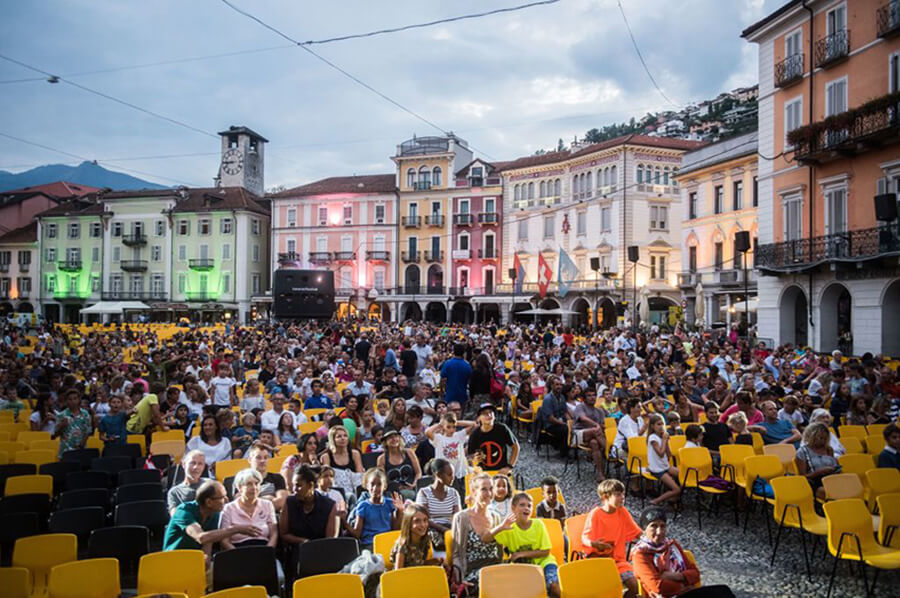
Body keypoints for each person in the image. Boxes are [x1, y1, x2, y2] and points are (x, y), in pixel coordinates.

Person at [486, 492, 560, 598]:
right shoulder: (508, 528)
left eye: (529, 506)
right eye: (522, 505)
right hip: (521, 568)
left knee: (553, 585)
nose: (526, 508)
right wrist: (501, 526)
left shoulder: (538, 525)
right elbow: (488, 538)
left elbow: (546, 551)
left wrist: (521, 554)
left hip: (544, 563)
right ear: (513, 508)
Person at [163, 480, 261, 559]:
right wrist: (236, 529)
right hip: (173, 560)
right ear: (209, 502)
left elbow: (209, 540)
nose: (226, 500)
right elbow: (201, 537)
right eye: (222, 497)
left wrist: (207, 557)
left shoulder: (215, 513)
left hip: (195, 560)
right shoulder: (184, 511)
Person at [582, 479, 642, 598]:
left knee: (635, 586)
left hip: (618, 561)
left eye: (623, 494)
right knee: (608, 589)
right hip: (598, 560)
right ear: (605, 497)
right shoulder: (595, 514)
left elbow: (637, 532)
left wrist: (652, 538)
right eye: (618, 494)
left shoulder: (622, 512)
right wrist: (594, 544)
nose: (622, 497)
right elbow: (584, 538)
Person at [631, 507, 701, 598]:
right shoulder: (640, 554)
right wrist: (684, 585)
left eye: (662, 526)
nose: (659, 532)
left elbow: (695, 574)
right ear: (644, 529)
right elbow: (657, 586)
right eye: (654, 526)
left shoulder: (672, 545)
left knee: (723, 591)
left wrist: (674, 576)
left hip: (687, 594)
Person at [451, 473, 502, 593]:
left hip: (494, 568)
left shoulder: (496, 517)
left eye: (491, 489)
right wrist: (460, 579)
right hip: (473, 571)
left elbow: (500, 550)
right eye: (484, 489)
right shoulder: (462, 518)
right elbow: (457, 554)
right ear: (474, 492)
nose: (489, 493)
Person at [280, 464, 337, 548]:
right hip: (297, 550)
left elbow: (330, 540)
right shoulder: (289, 502)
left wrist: (313, 547)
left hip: (322, 550)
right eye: (294, 485)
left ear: (311, 485)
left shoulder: (329, 505)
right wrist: (304, 541)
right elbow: (284, 534)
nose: (294, 489)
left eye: (298, 485)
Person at [349, 468, 403, 551]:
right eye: (372, 484)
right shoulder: (363, 506)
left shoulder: (390, 503)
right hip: (370, 544)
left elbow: (395, 529)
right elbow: (357, 533)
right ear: (367, 486)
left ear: (384, 486)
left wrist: (400, 511)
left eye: (379, 484)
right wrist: (343, 521)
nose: (375, 488)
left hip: (387, 542)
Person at [415, 458, 461, 550]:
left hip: (449, 528)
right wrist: (443, 529)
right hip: (431, 528)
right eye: (449, 475)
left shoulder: (454, 493)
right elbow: (424, 519)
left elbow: (457, 516)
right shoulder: (424, 493)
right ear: (438, 475)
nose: (452, 478)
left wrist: (452, 529)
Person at [425, 413, 476, 495]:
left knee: (461, 495)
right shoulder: (439, 438)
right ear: (443, 427)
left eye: (454, 427)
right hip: (443, 474)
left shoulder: (458, 436)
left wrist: (457, 422)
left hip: (459, 473)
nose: (452, 430)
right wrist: (440, 424)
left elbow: (473, 424)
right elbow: (427, 432)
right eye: (448, 427)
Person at [467, 403, 519, 474]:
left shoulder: (502, 429)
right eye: (484, 413)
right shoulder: (475, 434)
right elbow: (470, 455)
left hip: (501, 471)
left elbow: (516, 447)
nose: (488, 415)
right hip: (483, 473)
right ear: (479, 418)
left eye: (491, 412)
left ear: (494, 416)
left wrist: (509, 466)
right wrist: (474, 458)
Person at [319, 425, 364, 501]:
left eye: (345, 436)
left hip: (354, 488)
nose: (343, 438)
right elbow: (328, 477)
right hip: (336, 490)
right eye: (339, 436)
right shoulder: (326, 457)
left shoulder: (355, 454)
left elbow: (359, 475)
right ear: (333, 439)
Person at [795, 422, 840, 499]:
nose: (823, 441)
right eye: (821, 438)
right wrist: (819, 472)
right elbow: (803, 476)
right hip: (815, 482)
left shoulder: (829, 449)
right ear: (812, 437)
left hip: (831, 480)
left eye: (825, 438)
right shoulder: (802, 452)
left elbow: (834, 465)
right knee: (834, 493)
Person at [391, 503, 443, 569]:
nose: (423, 525)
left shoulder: (425, 539)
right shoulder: (402, 545)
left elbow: (420, 563)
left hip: (419, 574)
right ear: (408, 524)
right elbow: (398, 573)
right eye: (417, 521)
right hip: (405, 576)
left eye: (425, 520)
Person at [572, 387, 608, 481]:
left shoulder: (599, 411)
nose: (592, 398)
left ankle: (600, 473)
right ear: (584, 397)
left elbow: (602, 425)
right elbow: (583, 418)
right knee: (595, 430)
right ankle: (610, 452)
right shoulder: (580, 407)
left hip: (594, 436)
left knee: (594, 443)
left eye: (594, 395)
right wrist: (596, 425)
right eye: (589, 395)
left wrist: (601, 426)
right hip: (579, 434)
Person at [646, 414, 681, 506]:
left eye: (663, 424)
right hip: (657, 469)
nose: (661, 427)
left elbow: (669, 454)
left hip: (665, 466)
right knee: (676, 489)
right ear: (652, 426)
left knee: (684, 476)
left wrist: (666, 441)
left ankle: (673, 498)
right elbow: (661, 454)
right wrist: (664, 440)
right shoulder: (653, 438)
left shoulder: (662, 437)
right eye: (658, 424)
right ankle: (656, 501)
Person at [377, 429, 422, 499]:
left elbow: (418, 472)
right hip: (393, 492)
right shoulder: (381, 459)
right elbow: (383, 479)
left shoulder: (409, 452)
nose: (394, 439)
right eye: (390, 438)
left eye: (396, 436)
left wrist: (414, 484)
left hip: (412, 487)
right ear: (385, 442)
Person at [167, 450, 210, 514]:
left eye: (200, 464)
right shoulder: (175, 492)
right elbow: (175, 517)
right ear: (184, 464)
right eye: (192, 463)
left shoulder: (211, 485)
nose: (196, 467)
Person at [54, 388, 92, 457]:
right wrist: (62, 426)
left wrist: (82, 444)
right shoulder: (61, 415)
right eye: (70, 399)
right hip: (66, 449)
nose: (73, 401)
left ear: (79, 399)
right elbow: (55, 434)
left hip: (80, 449)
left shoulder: (85, 414)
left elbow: (88, 431)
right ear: (66, 401)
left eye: (75, 398)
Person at [441, 343, 473, 412]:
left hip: (450, 395)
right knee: (461, 415)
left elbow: (443, 379)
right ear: (464, 353)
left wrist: (441, 392)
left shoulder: (448, 363)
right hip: (462, 395)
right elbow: (470, 381)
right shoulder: (467, 365)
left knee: (449, 416)